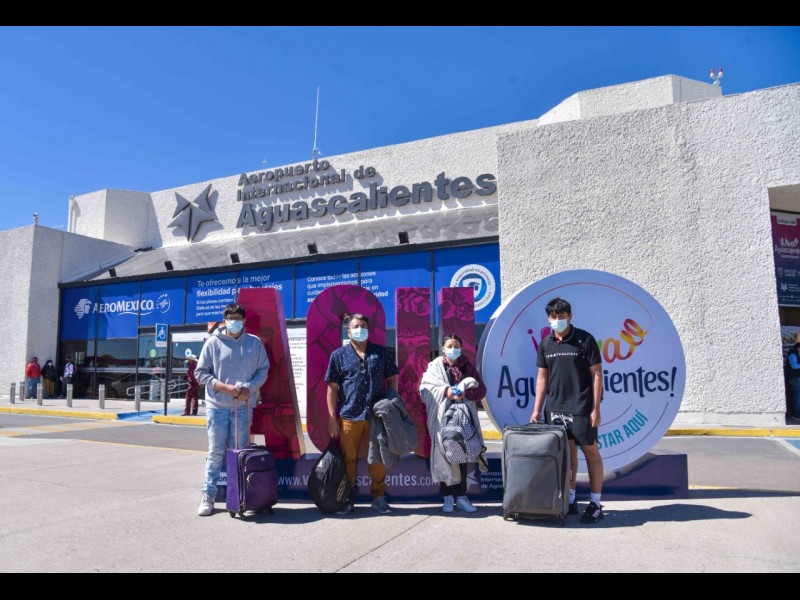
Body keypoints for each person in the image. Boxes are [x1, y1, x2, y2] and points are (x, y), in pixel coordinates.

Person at [531, 297, 605, 524]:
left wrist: (595, 408)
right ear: (548, 318)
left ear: (570, 316)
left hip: (581, 407)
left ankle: (595, 503)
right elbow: (542, 378)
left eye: (561, 317)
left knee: (591, 453)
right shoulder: (546, 344)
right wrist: (537, 409)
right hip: (555, 408)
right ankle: (570, 499)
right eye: (553, 317)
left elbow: (597, 374)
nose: (557, 320)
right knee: (568, 456)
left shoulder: (585, 339)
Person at [194, 303, 270, 517]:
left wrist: (249, 388)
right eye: (230, 318)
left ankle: (242, 496)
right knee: (215, 453)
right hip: (217, 407)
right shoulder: (213, 342)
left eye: (238, 318)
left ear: (244, 320)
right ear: (224, 320)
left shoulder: (254, 343)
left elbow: (263, 370)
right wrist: (223, 387)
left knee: (240, 454)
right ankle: (208, 496)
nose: (234, 322)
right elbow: (201, 373)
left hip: (243, 408)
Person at [325, 313, 399, 514]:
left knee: (377, 458)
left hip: (376, 416)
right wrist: (332, 418)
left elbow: (392, 378)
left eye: (363, 326)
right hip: (349, 416)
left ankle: (379, 498)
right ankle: (347, 499)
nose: (360, 329)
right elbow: (332, 388)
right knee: (348, 459)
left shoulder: (380, 353)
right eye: (356, 326)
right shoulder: (338, 355)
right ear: (348, 332)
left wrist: (391, 401)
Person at [420, 334, 487, 513]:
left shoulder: (466, 366)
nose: (453, 349)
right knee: (444, 453)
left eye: (456, 346)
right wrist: (445, 391)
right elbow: (424, 389)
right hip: (442, 419)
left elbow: (481, 390)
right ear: (443, 349)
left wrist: (466, 394)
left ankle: (462, 496)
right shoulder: (435, 366)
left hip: (462, 418)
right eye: (449, 346)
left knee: (462, 454)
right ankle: (448, 497)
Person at [785, 332, 800, 420]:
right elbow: (794, 366)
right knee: (798, 395)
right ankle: (796, 414)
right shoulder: (792, 353)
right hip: (795, 377)